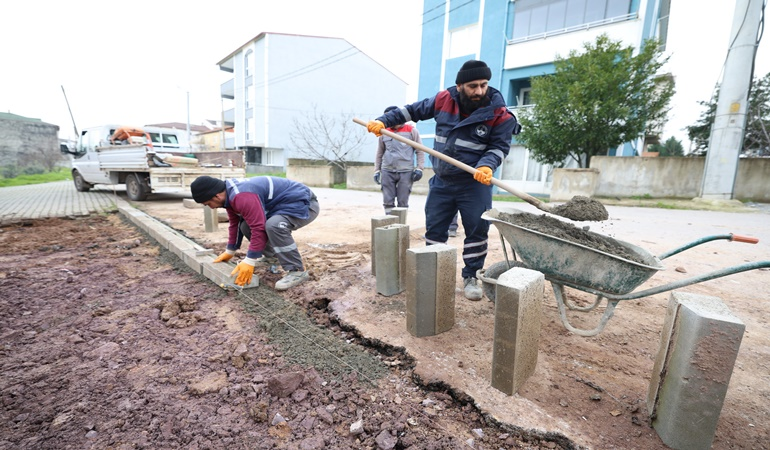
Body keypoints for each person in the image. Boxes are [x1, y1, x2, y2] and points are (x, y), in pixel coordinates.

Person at [366, 60, 521, 301]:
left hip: (475, 183)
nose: (479, 91)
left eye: (483, 85)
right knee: (435, 229)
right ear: (459, 86)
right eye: (473, 86)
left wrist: (485, 165)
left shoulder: (500, 115)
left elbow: (499, 148)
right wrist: (384, 120)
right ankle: (433, 273)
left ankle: (471, 275)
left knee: (477, 230)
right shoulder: (443, 100)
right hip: (443, 181)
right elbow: (411, 111)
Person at [190, 175, 320, 290]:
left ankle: (296, 271)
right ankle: (272, 258)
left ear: (216, 195)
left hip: (303, 204)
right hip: (280, 206)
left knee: (274, 225)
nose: (211, 207)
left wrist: (250, 260)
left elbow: (259, 228)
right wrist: (230, 250)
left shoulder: (242, 196)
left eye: (208, 203)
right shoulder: (229, 196)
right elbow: (235, 224)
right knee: (245, 226)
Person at [373, 106, 425, 214]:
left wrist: (420, 169)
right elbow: (379, 152)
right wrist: (377, 170)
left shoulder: (411, 131)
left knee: (403, 201)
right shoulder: (384, 132)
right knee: (388, 201)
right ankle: (389, 224)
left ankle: (400, 226)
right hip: (387, 170)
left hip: (406, 171)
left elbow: (420, 150)